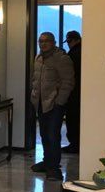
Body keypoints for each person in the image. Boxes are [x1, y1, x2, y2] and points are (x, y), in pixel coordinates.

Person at [30, 32, 75, 181]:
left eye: (47, 41)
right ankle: (47, 162)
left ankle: (54, 169)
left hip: (55, 104)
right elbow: (35, 79)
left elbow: (68, 82)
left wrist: (59, 101)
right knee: (44, 134)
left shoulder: (62, 58)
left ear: (54, 42)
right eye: (40, 41)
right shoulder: (38, 58)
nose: (43, 44)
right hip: (40, 103)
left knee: (53, 135)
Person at [63, 31, 82, 154]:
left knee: (72, 119)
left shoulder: (73, 54)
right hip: (80, 91)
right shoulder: (85, 51)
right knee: (77, 119)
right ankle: (76, 144)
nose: (68, 45)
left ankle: (74, 145)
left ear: (74, 40)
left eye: (69, 42)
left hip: (73, 92)